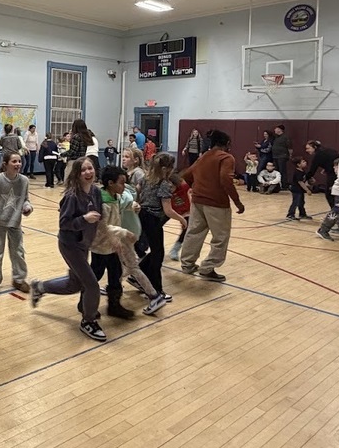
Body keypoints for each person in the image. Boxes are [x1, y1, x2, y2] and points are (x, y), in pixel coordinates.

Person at [29, 157, 107, 342]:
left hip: (84, 244)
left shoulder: (96, 192)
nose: (88, 172)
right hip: (69, 244)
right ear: (77, 175)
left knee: (75, 284)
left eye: (91, 169)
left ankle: (39, 287)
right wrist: (84, 219)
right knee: (91, 284)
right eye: (84, 170)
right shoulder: (72, 196)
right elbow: (64, 223)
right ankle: (88, 321)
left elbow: (100, 213)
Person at [178, 130, 245, 282]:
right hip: (216, 202)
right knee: (220, 237)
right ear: (227, 144)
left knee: (194, 232)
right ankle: (207, 268)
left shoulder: (203, 157)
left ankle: (187, 264)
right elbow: (225, 179)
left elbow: (187, 175)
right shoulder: (227, 157)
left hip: (197, 201)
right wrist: (237, 202)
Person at [88, 166, 137, 320]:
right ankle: (86, 304)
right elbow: (102, 226)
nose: (125, 186)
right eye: (122, 183)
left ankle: (114, 306)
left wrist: (133, 205)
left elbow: (122, 208)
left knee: (115, 275)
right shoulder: (103, 201)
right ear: (110, 183)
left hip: (113, 245)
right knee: (94, 276)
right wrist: (123, 233)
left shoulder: (116, 196)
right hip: (101, 246)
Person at [0, 150, 32, 294]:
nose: (18, 164)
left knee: (18, 252)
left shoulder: (24, 181)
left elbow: (26, 199)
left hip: (15, 222)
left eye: (19, 161)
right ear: (5, 164)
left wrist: (27, 206)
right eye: (14, 161)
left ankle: (19, 279)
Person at [138, 153, 188, 295]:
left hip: (142, 215)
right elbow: (168, 210)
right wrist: (182, 219)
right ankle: (156, 289)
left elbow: (137, 190)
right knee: (157, 255)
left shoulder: (146, 179)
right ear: (167, 168)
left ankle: (140, 275)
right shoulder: (163, 184)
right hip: (153, 219)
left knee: (155, 251)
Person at [305, 140, 339, 210]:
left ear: (314, 147)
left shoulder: (318, 155)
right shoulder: (327, 150)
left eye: (308, 148)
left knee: (329, 193)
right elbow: (336, 157)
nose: (307, 150)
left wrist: (304, 178)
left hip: (334, 174)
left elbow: (312, 170)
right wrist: (327, 167)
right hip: (338, 172)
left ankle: (335, 212)